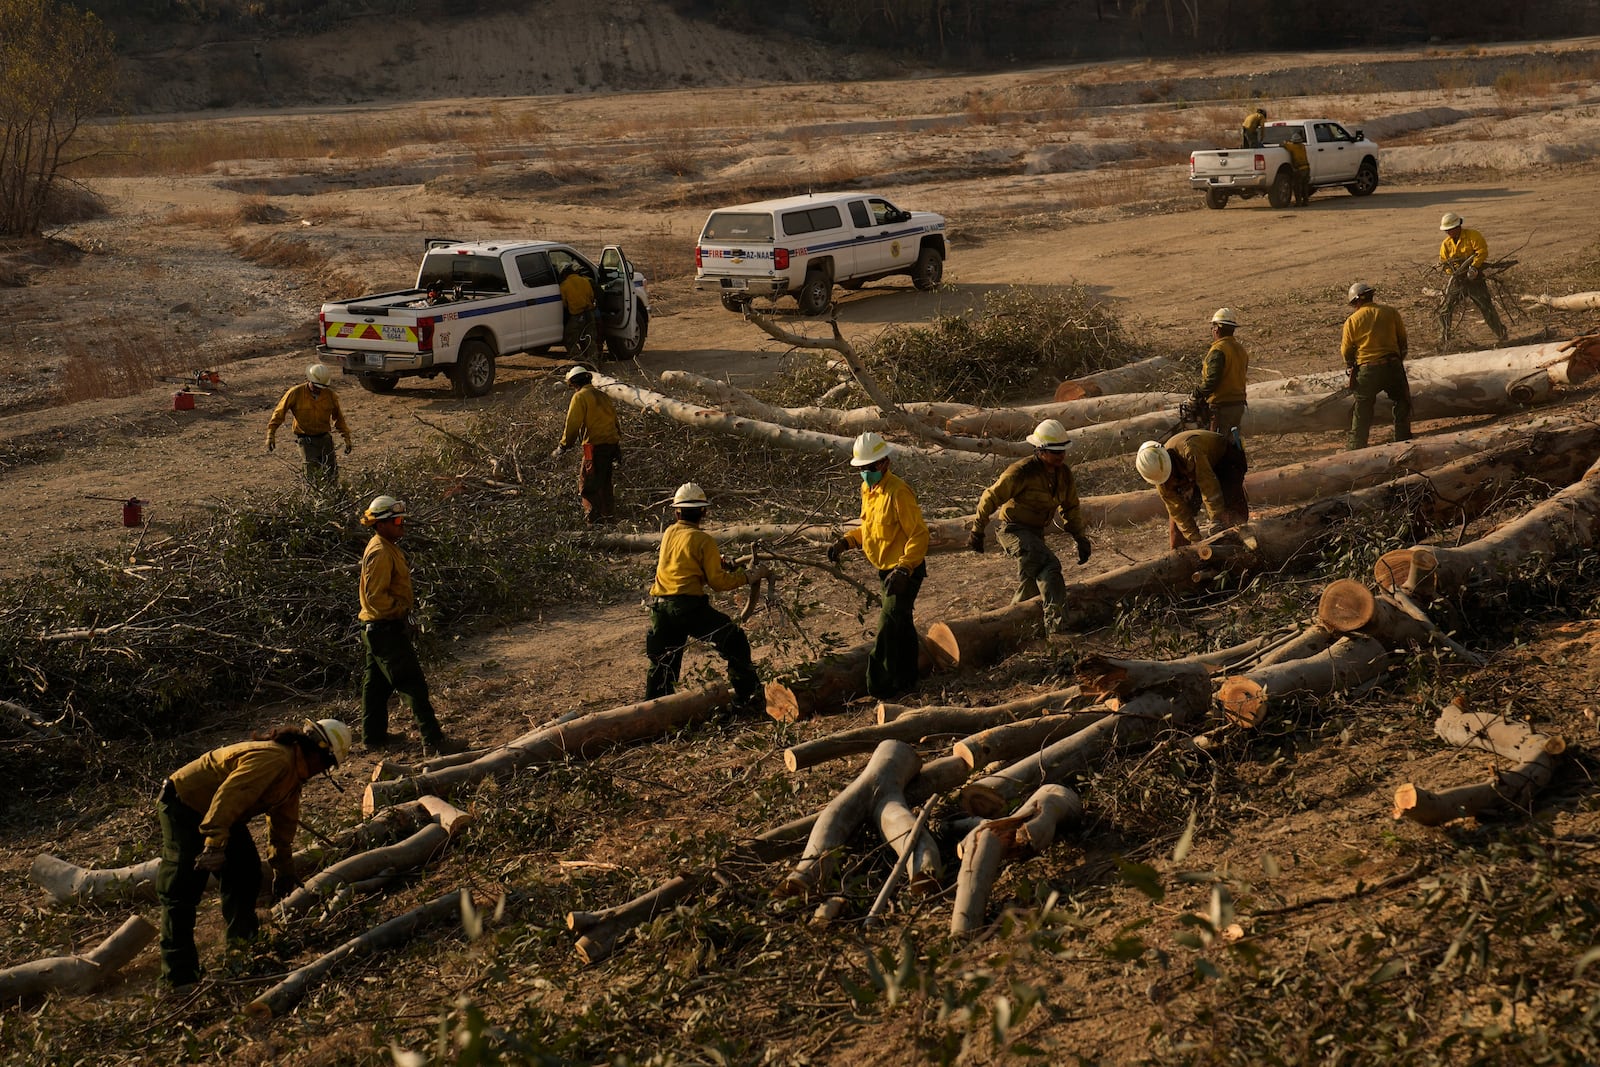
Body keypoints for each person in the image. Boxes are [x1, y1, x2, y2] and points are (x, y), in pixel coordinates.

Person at [156, 718, 351, 991]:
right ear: (318, 751)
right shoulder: (275, 760)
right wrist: (213, 843)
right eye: (327, 765)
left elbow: (283, 824)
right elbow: (230, 795)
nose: (323, 771)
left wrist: (283, 869)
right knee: (182, 889)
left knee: (246, 873)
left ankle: (242, 956)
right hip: (185, 806)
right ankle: (178, 980)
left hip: (222, 815)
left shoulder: (293, 774)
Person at [645, 483, 771, 710]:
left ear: (677, 512)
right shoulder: (704, 540)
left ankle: (653, 713)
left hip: (661, 609)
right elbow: (718, 583)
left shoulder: (669, 533)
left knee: (663, 663)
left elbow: (683, 567)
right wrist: (749, 576)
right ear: (704, 512)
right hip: (688, 608)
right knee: (734, 640)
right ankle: (749, 699)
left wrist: (718, 563)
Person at [827, 432, 930, 699]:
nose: (865, 473)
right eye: (861, 469)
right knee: (902, 623)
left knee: (887, 626)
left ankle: (878, 687)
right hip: (886, 570)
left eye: (869, 468)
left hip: (905, 572)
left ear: (884, 463)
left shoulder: (899, 492)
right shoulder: (869, 490)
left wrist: (905, 569)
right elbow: (868, 528)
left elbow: (919, 534)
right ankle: (909, 680)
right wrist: (846, 542)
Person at [358, 496, 462, 755]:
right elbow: (375, 597)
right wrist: (401, 612)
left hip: (377, 629)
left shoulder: (386, 545)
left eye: (402, 519)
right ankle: (433, 740)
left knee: (376, 686)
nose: (402, 525)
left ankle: (373, 738)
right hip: (384, 628)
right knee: (412, 683)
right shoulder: (380, 551)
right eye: (397, 520)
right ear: (380, 524)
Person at [968, 419, 1092, 635]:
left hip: (1035, 534)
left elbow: (1070, 507)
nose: (1060, 455)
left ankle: (1011, 626)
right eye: (1055, 451)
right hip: (1012, 530)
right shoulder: (1021, 472)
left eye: (1063, 450)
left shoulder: (1064, 475)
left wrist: (1080, 537)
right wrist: (977, 530)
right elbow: (990, 497)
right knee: (1050, 565)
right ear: (1041, 450)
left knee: (1032, 583)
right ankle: (1057, 629)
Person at [1136, 431, 1249, 548]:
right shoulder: (1160, 479)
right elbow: (1177, 511)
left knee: (1229, 509)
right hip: (1196, 473)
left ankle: (1241, 545)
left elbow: (1208, 485)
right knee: (1177, 523)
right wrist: (1196, 540)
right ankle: (1180, 557)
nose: (1169, 480)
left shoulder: (1190, 451)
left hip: (1223, 459)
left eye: (1170, 475)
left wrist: (1217, 518)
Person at [1341, 281, 1412, 450]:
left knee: (1362, 409)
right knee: (1402, 402)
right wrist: (1397, 360)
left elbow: (1346, 350)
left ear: (1356, 302)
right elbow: (1402, 340)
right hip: (1392, 365)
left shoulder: (1352, 321)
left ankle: (1356, 447)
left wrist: (1351, 365)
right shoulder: (1391, 312)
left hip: (1368, 370)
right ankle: (1403, 442)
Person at [551, 365, 622, 524]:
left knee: (587, 486)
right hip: (611, 446)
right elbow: (615, 422)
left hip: (594, 447)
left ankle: (593, 523)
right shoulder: (602, 395)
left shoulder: (580, 397)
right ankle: (609, 520)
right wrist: (617, 447)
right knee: (605, 484)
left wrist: (563, 446)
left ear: (574, 384)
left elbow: (572, 424)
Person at [266, 364, 353, 486]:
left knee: (331, 474)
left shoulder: (329, 395)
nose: (318, 389)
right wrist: (271, 433)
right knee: (312, 476)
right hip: (306, 441)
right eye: (316, 386)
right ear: (309, 380)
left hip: (325, 439)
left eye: (322, 387)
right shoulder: (295, 393)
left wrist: (346, 437)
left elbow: (339, 418)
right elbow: (279, 412)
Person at [1437, 212, 1508, 344]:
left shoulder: (1473, 236)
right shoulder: (1446, 245)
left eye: (1449, 230)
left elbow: (1482, 252)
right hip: (1458, 281)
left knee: (1486, 307)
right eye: (1446, 231)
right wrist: (1452, 273)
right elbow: (1444, 263)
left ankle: (1501, 334)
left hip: (1475, 280)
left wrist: (1474, 267)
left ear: (1458, 227)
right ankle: (1444, 339)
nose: (1448, 233)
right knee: (1445, 309)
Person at [1195, 308, 1249, 438]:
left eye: (1213, 327)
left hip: (1221, 408)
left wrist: (1196, 394)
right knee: (1233, 442)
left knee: (1217, 445)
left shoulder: (1218, 350)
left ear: (1217, 329)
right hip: (1238, 405)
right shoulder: (1240, 349)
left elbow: (1212, 381)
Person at [559, 263, 599, 360]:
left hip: (577, 316)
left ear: (564, 274)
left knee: (569, 339)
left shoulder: (564, 286)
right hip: (590, 313)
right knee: (590, 338)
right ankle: (594, 361)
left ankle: (580, 359)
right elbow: (591, 296)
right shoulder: (585, 281)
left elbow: (564, 304)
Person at [1282, 128, 1311, 206]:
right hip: (1307, 168)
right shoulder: (1303, 146)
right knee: (1305, 187)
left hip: (1299, 169)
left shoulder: (1292, 146)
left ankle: (1298, 203)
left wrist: (1285, 142)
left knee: (1297, 187)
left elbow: (1282, 144)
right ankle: (1306, 201)